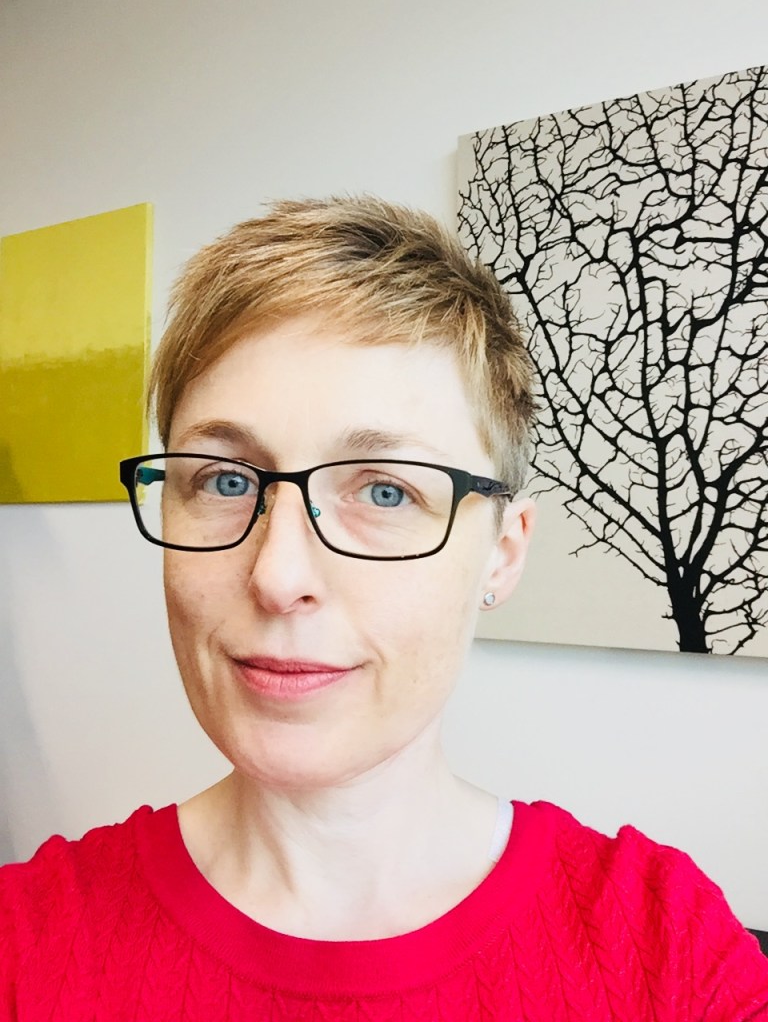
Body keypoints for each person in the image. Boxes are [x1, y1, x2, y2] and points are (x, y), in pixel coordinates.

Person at [1, 196, 767, 1020]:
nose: (278, 576)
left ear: (504, 551)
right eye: (224, 480)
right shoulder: (27, 944)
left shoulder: (665, 949)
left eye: (384, 491)